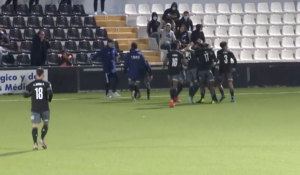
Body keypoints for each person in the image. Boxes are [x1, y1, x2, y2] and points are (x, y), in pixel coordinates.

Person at [23, 68, 53, 150]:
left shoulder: (30, 85)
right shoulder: (47, 84)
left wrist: (30, 94)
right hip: (45, 107)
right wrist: (49, 100)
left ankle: (35, 144)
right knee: (46, 123)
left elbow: (25, 95)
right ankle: (42, 139)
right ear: (43, 75)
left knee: (35, 126)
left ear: (36, 75)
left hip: (35, 108)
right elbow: (50, 93)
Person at [162, 42, 186, 108]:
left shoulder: (169, 54)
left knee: (171, 86)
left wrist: (163, 67)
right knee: (175, 87)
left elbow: (165, 61)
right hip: (176, 72)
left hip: (170, 71)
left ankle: (171, 99)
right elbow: (184, 62)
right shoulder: (180, 54)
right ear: (177, 47)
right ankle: (172, 101)